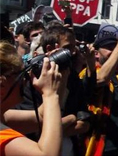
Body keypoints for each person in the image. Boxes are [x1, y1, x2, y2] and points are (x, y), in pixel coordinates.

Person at [19, 25, 92, 155]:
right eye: (68, 48)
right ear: (50, 48)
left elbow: (84, 123)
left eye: (74, 47)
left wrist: (53, 128)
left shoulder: (72, 76)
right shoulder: (33, 77)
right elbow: (34, 127)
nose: (73, 52)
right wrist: (70, 118)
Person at [80, 28, 118, 156]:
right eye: (108, 47)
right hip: (102, 141)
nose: (113, 50)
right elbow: (101, 79)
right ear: (96, 53)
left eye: (114, 46)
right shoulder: (87, 73)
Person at [0, 41, 63, 156]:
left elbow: (42, 116)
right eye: (22, 74)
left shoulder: (3, 115)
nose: (25, 79)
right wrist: (50, 94)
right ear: (2, 84)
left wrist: (56, 69)